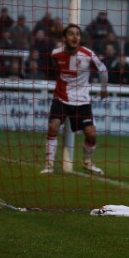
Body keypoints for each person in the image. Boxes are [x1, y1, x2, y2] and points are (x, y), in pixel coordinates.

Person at [40, 24, 108, 175]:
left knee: (91, 134)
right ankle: (49, 164)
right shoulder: (55, 54)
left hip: (82, 101)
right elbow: (52, 67)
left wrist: (104, 89)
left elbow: (103, 69)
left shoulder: (88, 54)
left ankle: (88, 162)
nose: (75, 37)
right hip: (61, 97)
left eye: (77, 34)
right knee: (53, 127)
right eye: (71, 34)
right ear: (64, 38)